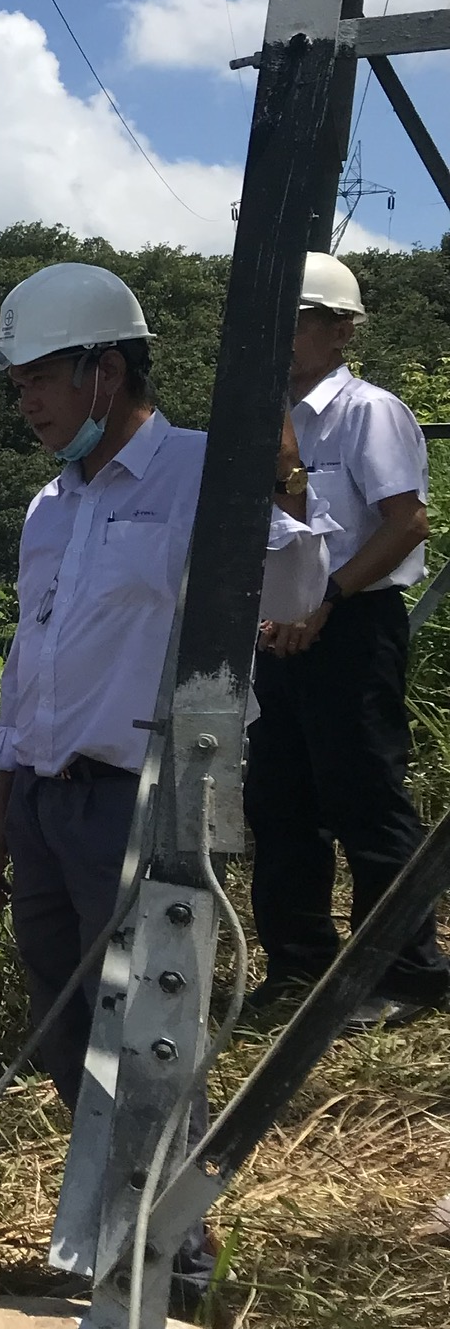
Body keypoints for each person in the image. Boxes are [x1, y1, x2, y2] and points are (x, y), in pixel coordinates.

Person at [0, 263, 330, 1302]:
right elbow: (29, 660)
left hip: (141, 793)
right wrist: (0, 806)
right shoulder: (49, 504)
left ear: (108, 368)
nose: (26, 400)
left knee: (150, 1026)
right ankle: (116, 1213)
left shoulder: (202, 469)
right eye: (18, 382)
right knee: (64, 1018)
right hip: (48, 797)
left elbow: (297, 586)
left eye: (41, 377)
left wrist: (283, 481)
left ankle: (174, 1253)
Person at [248, 251, 450, 1023]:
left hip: (355, 620)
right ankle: (299, 968)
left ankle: (404, 970)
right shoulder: (263, 417)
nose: (285, 338)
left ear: (340, 330)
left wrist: (327, 595)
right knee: (280, 801)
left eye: (299, 320)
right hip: (278, 625)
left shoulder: (368, 411)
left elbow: (407, 523)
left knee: (365, 794)